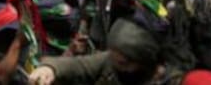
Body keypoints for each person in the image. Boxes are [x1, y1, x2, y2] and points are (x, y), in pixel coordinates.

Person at [29, 18, 163, 85]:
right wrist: (49, 69)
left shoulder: (162, 79)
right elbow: (79, 66)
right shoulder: (110, 61)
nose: (115, 63)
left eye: (122, 62)